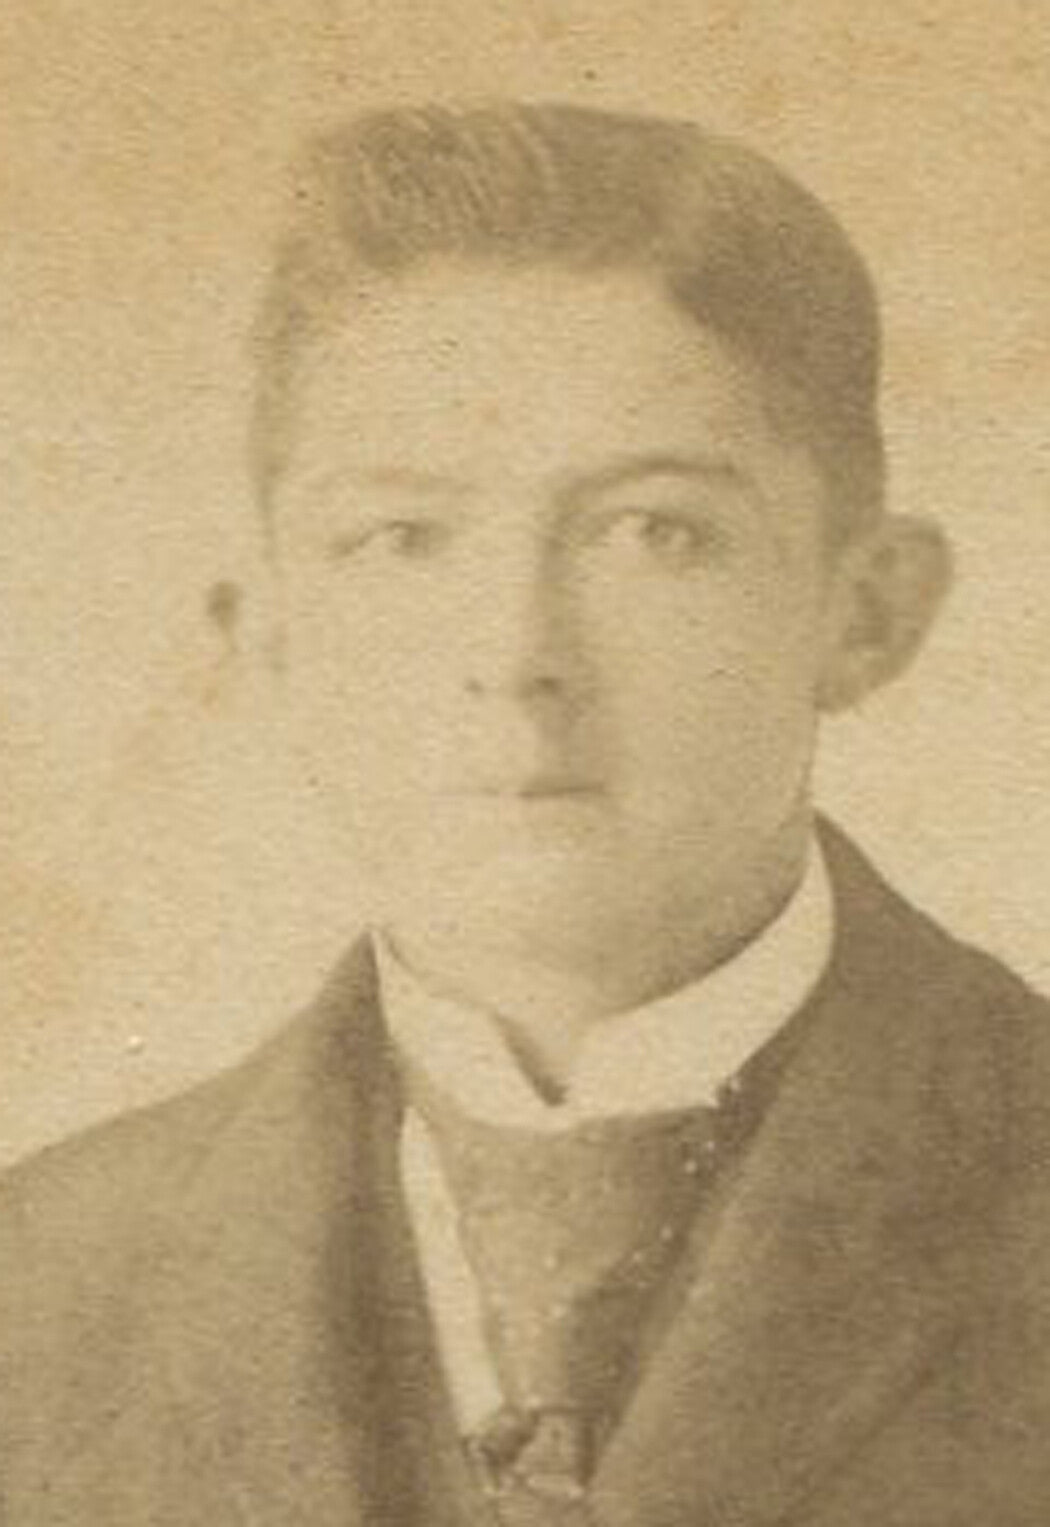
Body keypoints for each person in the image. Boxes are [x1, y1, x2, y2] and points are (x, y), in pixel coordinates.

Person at [1, 102, 1048, 1527]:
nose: (514, 653)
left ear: (866, 613)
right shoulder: (41, 1284)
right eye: (402, 538)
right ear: (267, 633)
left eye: (653, 531)